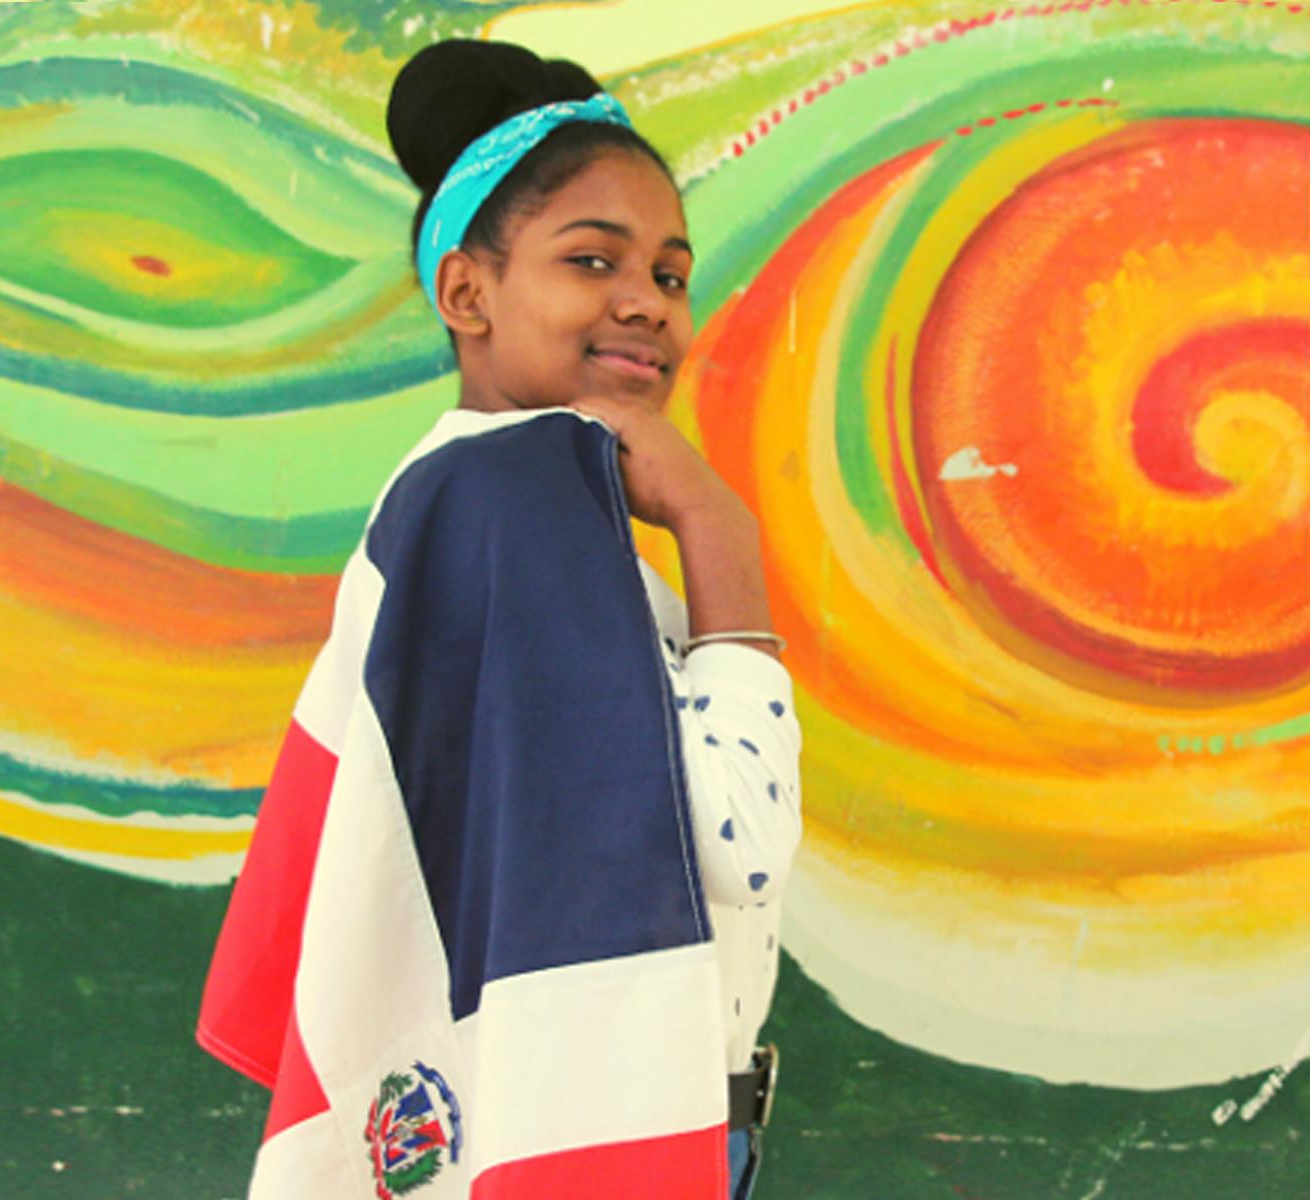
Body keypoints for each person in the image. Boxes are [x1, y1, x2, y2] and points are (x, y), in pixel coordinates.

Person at [199, 38, 800, 1200]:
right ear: (466, 292)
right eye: (592, 260)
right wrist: (720, 529)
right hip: (583, 1138)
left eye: (672, 276)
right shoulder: (521, 503)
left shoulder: (462, 497)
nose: (646, 303)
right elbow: (735, 843)